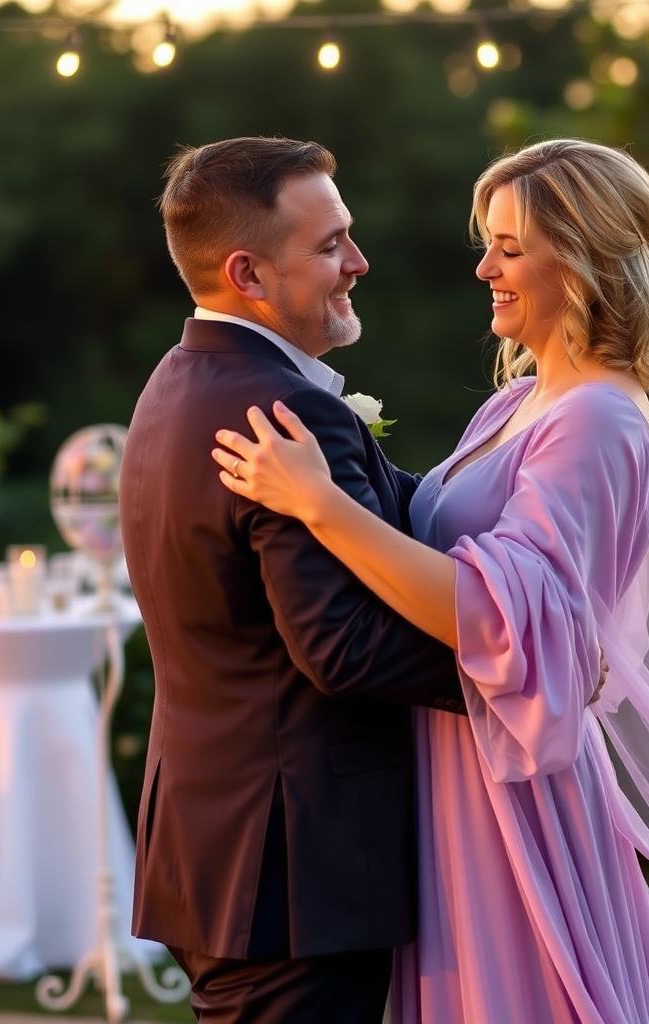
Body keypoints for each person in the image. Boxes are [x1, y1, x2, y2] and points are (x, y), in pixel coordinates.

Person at [212, 138, 649, 1023]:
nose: (485, 267)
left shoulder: (600, 418)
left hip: (508, 792)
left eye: (511, 249)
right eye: (488, 243)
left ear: (587, 258)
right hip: (454, 766)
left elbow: (494, 612)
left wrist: (322, 506)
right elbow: (443, 532)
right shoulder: (520, 401)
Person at [119, 136, 465, 1024]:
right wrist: (519, 666)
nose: (360, 261)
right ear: (249, 273)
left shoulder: (175, 382)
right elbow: (339, 648)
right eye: (328, 246)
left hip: (219, 845)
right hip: (292, 868)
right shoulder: (284, 408)